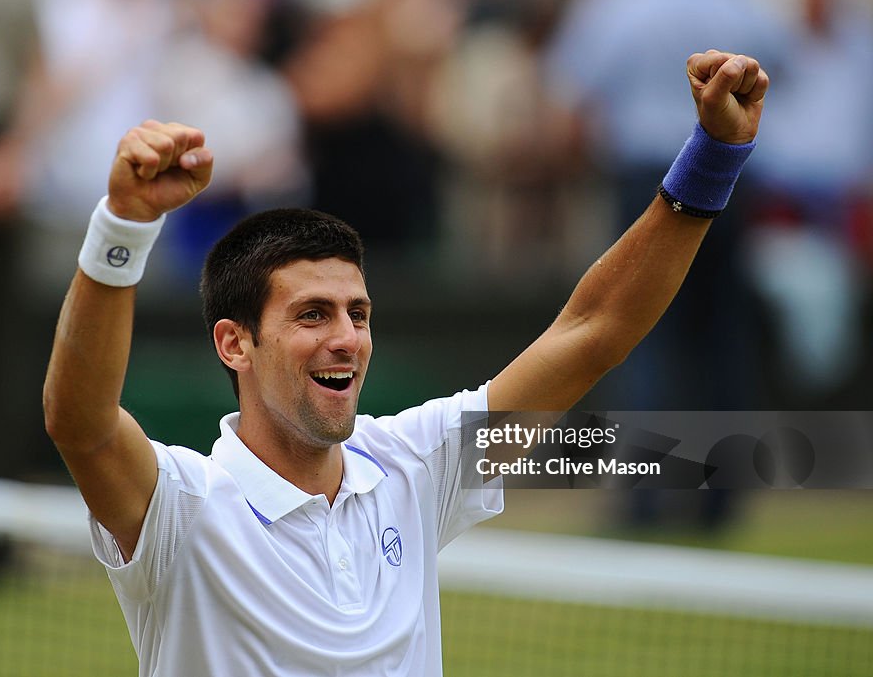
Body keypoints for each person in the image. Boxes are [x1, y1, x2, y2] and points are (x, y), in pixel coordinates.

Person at [43, 50, 769, 676]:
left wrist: (711, 158)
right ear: (235, 343)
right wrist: (124, 225)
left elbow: (592, 330)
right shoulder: (183, 507)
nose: (348, 338)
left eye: (357, 313)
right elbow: (80, 421)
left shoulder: (415, 466)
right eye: (312, 314)